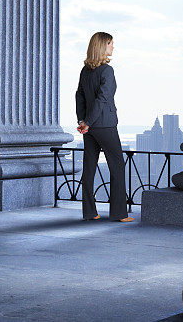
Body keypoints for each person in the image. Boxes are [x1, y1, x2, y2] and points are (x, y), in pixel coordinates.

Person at [75, 32, 134, 223]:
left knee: (89, 168)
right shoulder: (107, 71)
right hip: (105, 125)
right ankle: (119, 213)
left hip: (89, 128)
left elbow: (79, 96)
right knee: (117, 168)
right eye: (110, 43)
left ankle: (89, 212)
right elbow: (103, 99)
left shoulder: (86, 70)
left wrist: (82, 121)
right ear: (102, 46)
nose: (113, 47)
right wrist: (89, 122)